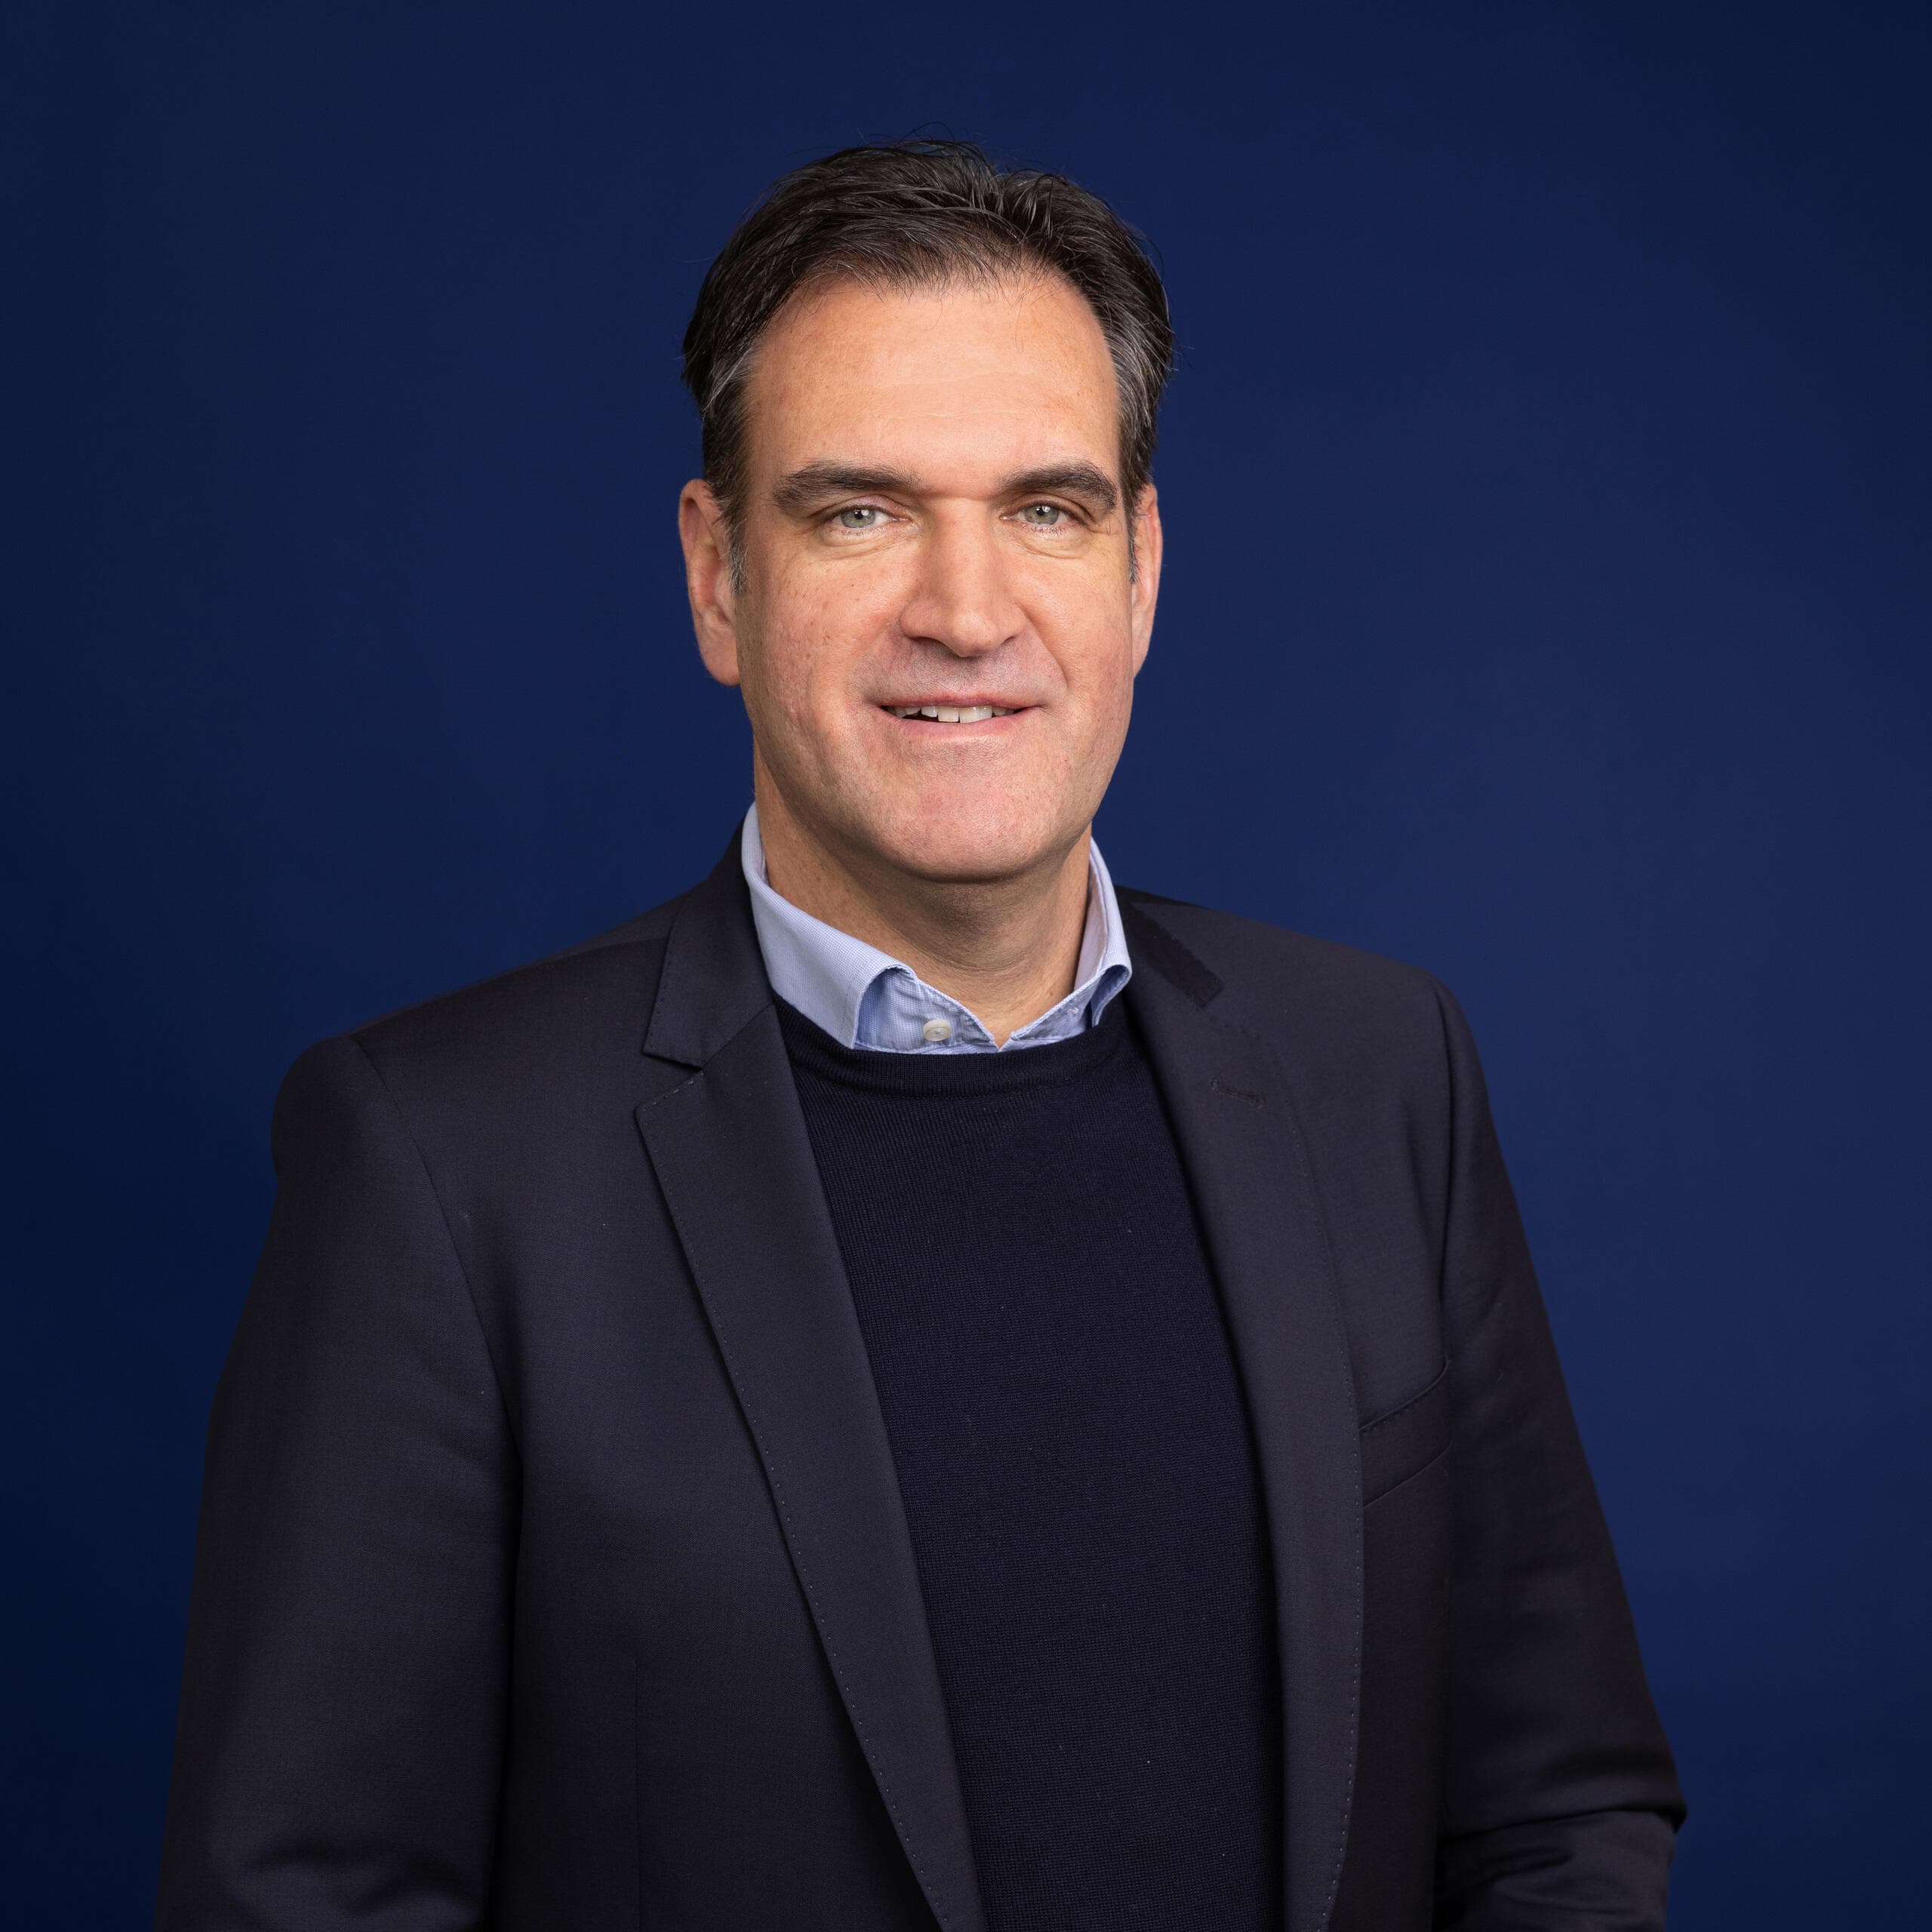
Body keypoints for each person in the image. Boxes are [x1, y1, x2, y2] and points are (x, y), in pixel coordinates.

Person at [156, 139, 1683, 1931]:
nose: (966, 611)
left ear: (1138, 570)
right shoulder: (440, 1162)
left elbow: (1554, 1804)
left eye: (1046, 509)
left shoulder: (1377, 1071)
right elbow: (306, 1896)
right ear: (717, 577)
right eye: (860, 511)